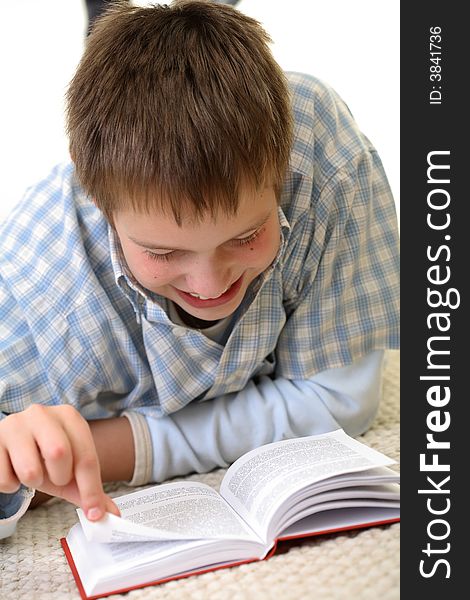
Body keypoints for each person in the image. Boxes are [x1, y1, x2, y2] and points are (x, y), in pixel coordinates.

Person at [0, 0, 399, 539]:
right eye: (163, 254)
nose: (210, 286)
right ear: (98, 203)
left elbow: (341, 399)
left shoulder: (323, 155)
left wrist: (101, 446)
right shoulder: (42, 285)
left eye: (247, 236)